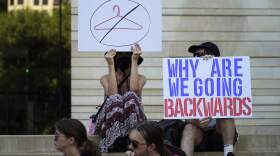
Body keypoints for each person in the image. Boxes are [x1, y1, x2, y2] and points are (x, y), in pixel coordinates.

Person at [180, 42, 238, 156]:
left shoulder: (226, 79)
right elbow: (184, 116)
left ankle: (229, 152)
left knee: (226, 112)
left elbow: (233, 104)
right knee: (188, 127)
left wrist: (213, 66)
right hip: (199, 135)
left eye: (203, 54)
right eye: (196, 55)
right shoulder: (188, 82)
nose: (199, 58)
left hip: (220, 135)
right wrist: (197, 121)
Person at [94, 43, 147, 152]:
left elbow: (134, 90)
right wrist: (111, 64)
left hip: (133, 122)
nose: (124, 62)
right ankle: (113, 141)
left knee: (130, 96)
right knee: (116, 99)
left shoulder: (141, 78)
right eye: (120, 58)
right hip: (109, 121)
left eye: (127, 58)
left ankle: (131, 141)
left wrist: (134, 60)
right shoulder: (105, 78)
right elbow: (112, 95)